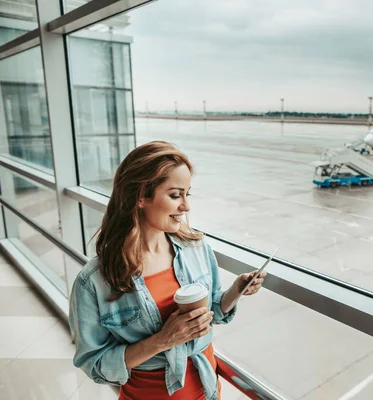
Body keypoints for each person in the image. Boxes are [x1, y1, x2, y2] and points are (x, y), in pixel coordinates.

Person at [69, 141, 266, 400]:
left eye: (187, 194)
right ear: (141, 196)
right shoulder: (93, 281)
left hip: (208, 393)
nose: (186, 206)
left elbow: (213, 312)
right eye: (175, 195)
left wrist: (235, 291)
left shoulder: (197, 247)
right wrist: (162, 340)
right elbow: (95, 364)